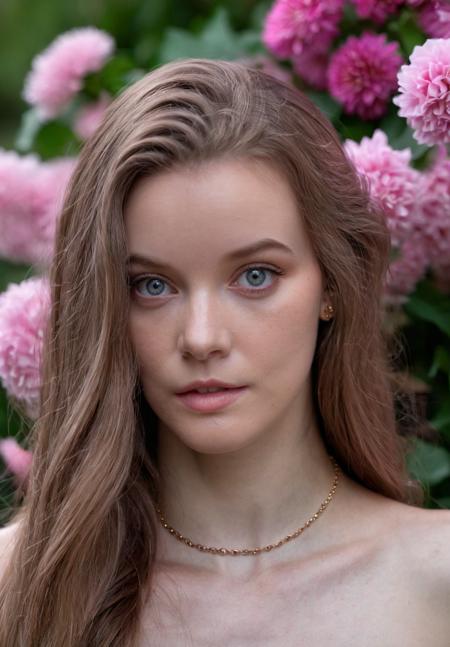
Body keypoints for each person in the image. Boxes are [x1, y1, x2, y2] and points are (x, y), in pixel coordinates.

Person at [1, 57, 450, 647]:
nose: (203, 338)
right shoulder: (19, 584)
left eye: (256, 276)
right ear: (105, 304)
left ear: (333, 284)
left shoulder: (434, 579)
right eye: (151, 286)